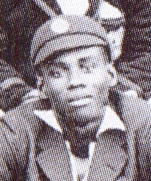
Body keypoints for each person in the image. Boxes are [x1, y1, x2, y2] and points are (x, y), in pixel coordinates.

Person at [0, 15, 151, 181]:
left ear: (111, 75)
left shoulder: (142, 125)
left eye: (88, 68)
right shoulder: (17, 131)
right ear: (42, 86)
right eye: (57, 73)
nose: (75, 82)